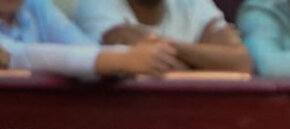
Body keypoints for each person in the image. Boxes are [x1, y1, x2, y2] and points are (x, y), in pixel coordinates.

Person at [0, 0, 179, 76]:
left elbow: (83, 47)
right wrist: (122, 59)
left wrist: (136, 56)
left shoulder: (35, 6)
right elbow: (18, 55)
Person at [74, 0, 253, 72]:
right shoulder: (96, 4)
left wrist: (162, 46)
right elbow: (157, 69)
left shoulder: (192, 3)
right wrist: (208, 61)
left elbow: (241, 62)